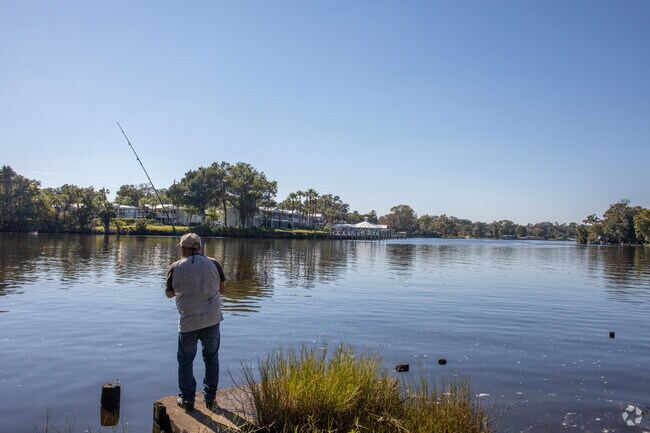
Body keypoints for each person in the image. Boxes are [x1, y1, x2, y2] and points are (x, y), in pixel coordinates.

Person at [165, 233, 226, 411]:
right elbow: (222, 289)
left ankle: (187, 399)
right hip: (212, 320)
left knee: (185, 361)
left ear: (183, 249)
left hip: (188, 322)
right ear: (199, 247)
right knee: (211, 358)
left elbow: (169, 294)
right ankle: (210, 399)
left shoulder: (175, 267)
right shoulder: (214, 263)